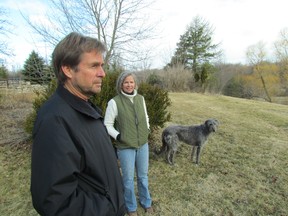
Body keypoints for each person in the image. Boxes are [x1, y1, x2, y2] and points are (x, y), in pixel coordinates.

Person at [30, 32, 126, 216]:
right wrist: (109, 208)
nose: (103, 73)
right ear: (67, 69)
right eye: (94, 66)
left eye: (102, 66)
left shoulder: (85, 108)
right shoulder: (55, 120)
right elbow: (55, 202)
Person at [104, 72, 153, 216]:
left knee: (143, 176)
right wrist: (118, 136)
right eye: (126, 82)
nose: (129, 85)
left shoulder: (141, 99)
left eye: (131, 82)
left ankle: (146, 202)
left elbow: (146, 116)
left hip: (143, 144)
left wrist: (147, 129)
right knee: (128, 179)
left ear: (135, 84)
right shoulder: (114, 102)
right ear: (121, 84)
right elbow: (107, 125)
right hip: (125, 147)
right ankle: (131, 207)